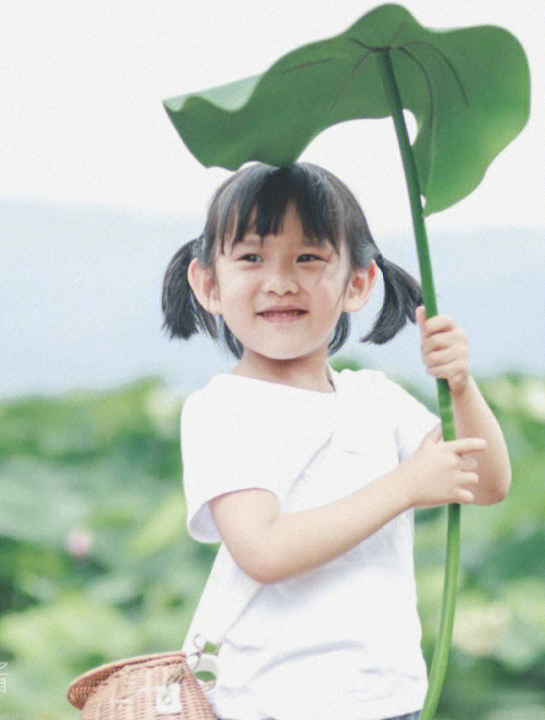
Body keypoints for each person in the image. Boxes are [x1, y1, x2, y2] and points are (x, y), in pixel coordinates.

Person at [160, 162, 511, 720]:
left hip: (389, 702)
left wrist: (463, 388)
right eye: (251, 258)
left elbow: (487, 481)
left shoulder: (376, 399)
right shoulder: (222, 410)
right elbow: (264, 550)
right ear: (208, 284)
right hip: (273, 705)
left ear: (358, 284)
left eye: (309, 258)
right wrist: (404, 487)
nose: (280, 280)